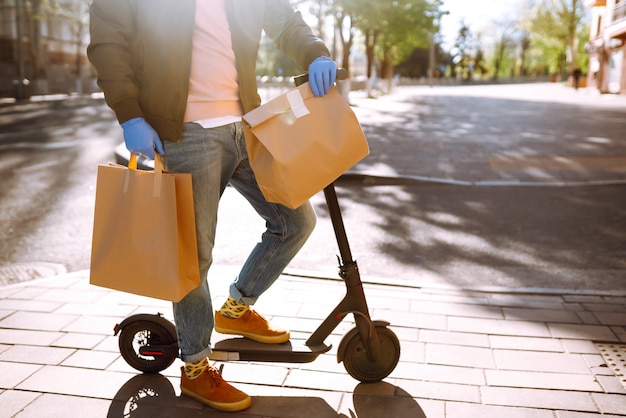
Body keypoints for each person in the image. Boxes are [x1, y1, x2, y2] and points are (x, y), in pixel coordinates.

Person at [88, 0, 337, 412]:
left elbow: (283, 18)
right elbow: (109, 40)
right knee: (193, 256)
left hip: (246, 126)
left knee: (295, 221)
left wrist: (315, 51)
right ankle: (195, 368)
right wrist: (129, 114)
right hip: (186, 135)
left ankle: (237, 306)